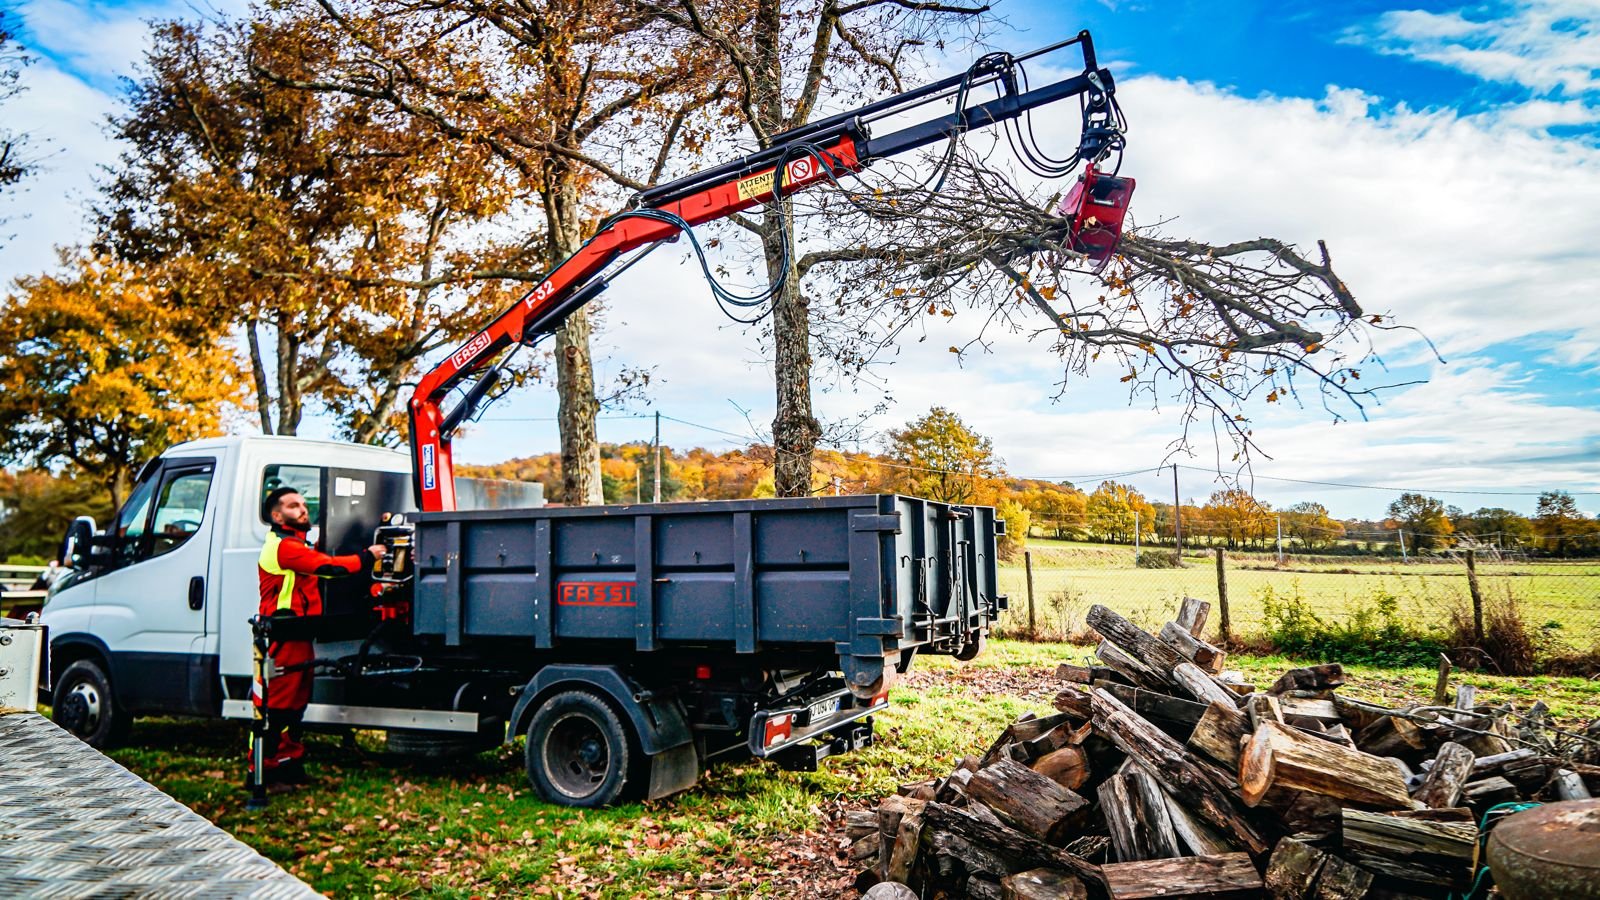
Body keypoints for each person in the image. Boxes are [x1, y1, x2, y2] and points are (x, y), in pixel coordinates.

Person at [254, 487, 386, 784]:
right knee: (278, 706)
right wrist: (368, 556)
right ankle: (262, 771)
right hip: (283, 635)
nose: (302, 509)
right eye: (293, 506)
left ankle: (288, 765)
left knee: (295, 704)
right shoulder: (284, 547)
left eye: (303, 503)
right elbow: (327, 567)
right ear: (277, 515)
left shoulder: (297, 543)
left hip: (299, 633)